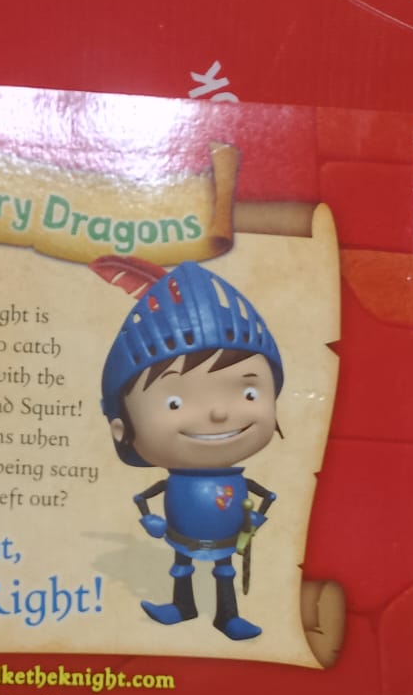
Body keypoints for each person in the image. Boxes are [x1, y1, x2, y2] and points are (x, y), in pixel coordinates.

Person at [100, 262, 284, 641]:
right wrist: (151, 521)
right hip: (180, 534)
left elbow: (266, 496)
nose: (218, 413)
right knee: (181, 567)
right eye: (175, 403)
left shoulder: (236, 479)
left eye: (249, 393)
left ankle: (227, 617)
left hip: (226, 538)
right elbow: (143, 498)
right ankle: (182, 606)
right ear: (122, 429)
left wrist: (255, 520)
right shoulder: (174, 480)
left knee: (224, 570)